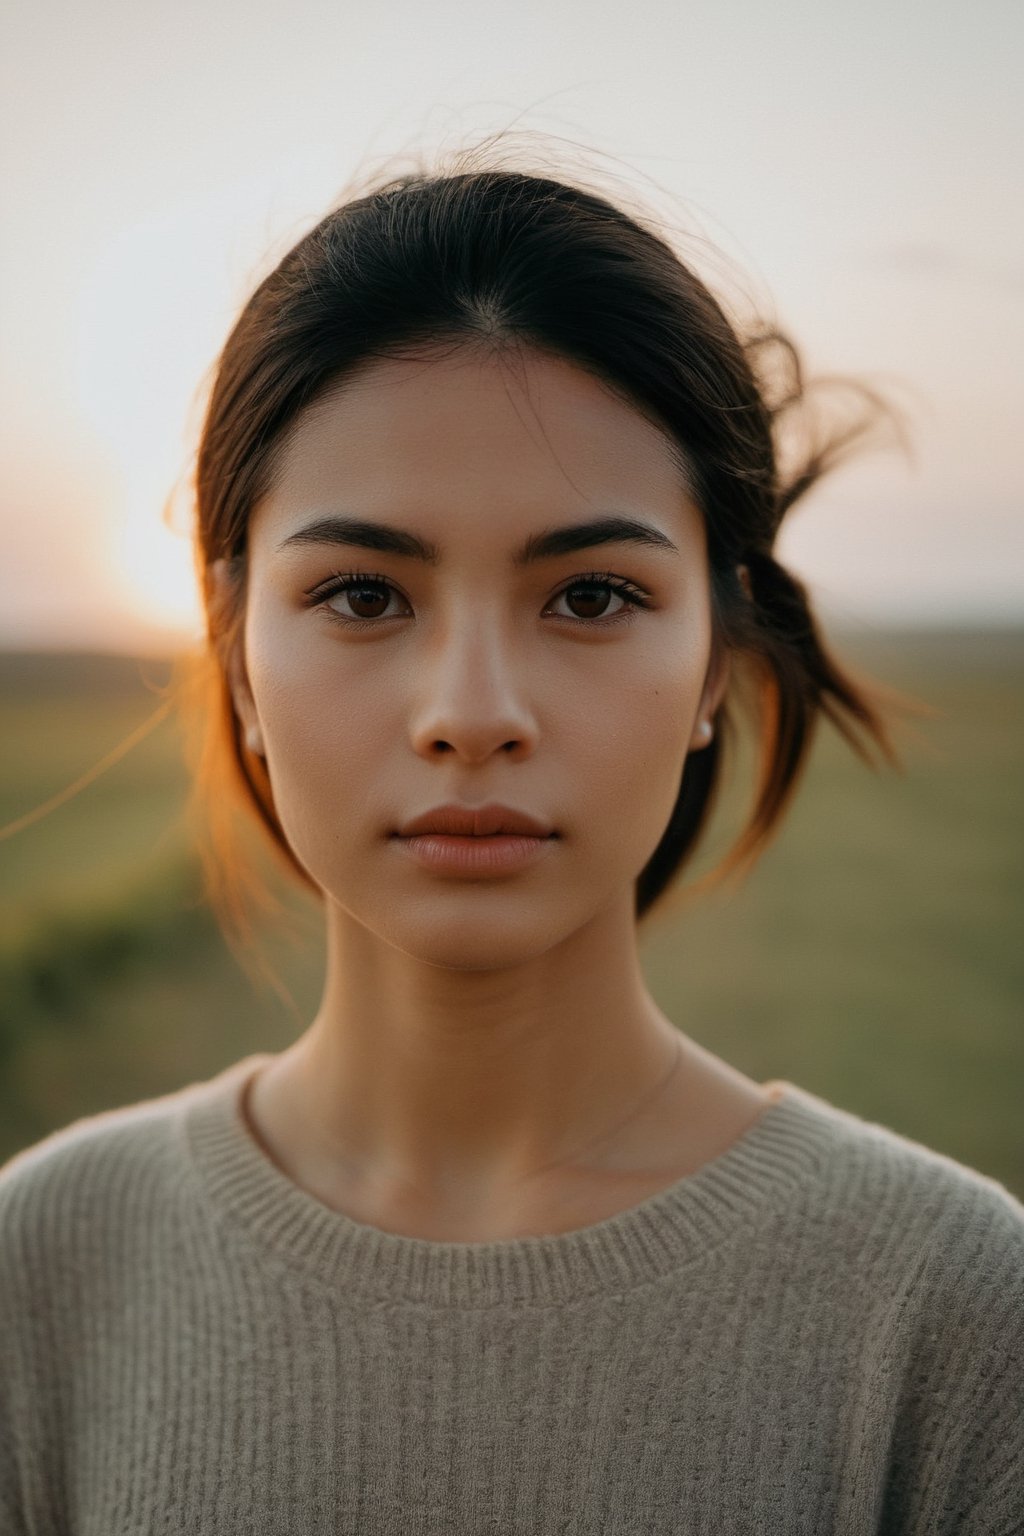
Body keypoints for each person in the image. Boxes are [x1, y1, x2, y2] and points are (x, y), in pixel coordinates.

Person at [1, 149, 1022, 1534]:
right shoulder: (41, 1272)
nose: (469, 715)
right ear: (238, 656)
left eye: (592, 595)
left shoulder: (956, 1318)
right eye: (362, 594)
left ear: (719, 654)